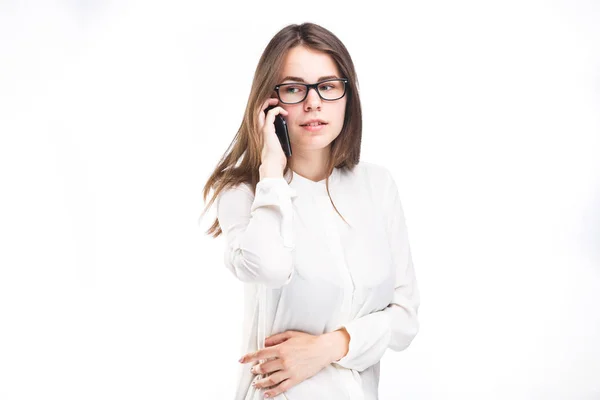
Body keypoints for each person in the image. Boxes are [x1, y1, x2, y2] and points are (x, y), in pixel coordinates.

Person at [199, 22, 420, 400]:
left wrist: (327, 348)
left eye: (328, 86)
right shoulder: (244, 194)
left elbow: (404, 319)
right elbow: (269, 267)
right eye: (294, 88)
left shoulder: (377, 185)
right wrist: (270, 170)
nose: (313, 102)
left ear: (347, 96)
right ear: (270, 103)